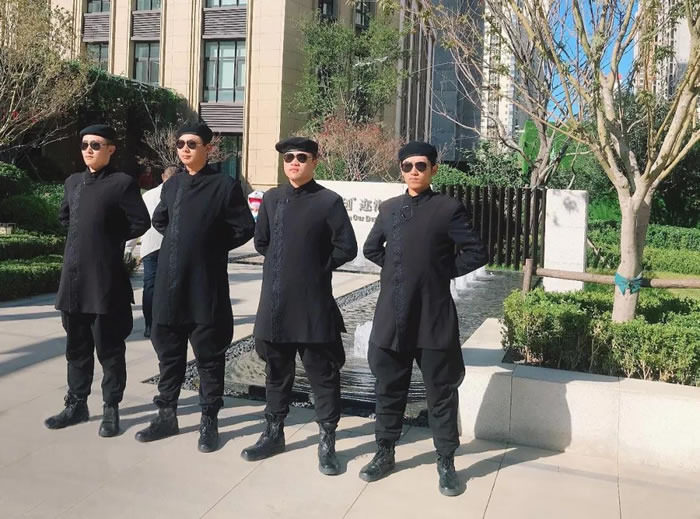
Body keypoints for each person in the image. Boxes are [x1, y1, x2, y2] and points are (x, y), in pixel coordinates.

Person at [360, 141, 488, 496]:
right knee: (388, 389)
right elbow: (371, 249)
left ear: (433, 169)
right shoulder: (389, 209)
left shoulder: (448, 209)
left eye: (420, 165)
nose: (414, 171)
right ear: (400, 170)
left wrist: (437, 271)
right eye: (407, 166)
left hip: (433, 316)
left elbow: (477, 252)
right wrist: (399, 271)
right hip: (392, 317)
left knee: (441, 393)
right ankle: (385, 452)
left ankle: (446, 461)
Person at [134, 123, 255, 453]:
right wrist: (181, 239)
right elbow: (160, 220)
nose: (185, 149)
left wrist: (208, 244)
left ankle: (209, 420)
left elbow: (244, 227)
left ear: (207, 149)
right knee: (169, 356)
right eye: (180, 144)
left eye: (192, 144)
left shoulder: (224, 186)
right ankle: (166, 415)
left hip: (205, 285)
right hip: (170, 286)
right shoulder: (172, 186)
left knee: (209, 358)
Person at [240, 137, 357, 476]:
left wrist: (315, 268)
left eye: (301, 157)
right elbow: (262, 242)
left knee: (323, 375)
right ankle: (273, 433)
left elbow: (346, 247)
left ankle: (327, 442)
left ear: (314, 161)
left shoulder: (328, 201)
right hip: (275, 304)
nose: (294, 162)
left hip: (312, 305)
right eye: (288, 157)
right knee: (276, 373)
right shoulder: (272, 199)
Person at [45, 124, 150, 438]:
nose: (88, 150)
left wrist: (107, 237)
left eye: (95, 145)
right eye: (84, 145)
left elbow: (140, 222)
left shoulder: (122, 183)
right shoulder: (73, 182)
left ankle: (111, 408)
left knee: (110, 350)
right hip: (73, 282)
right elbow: (65, 217)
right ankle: (76, 404)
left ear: (110, 149)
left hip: (105, 283)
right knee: (76, 349)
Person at [132, 165, 178, 338]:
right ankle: (169, 323)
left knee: (150, 286)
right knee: (172, 286)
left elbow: (137, 221)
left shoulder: (148, 195)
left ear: (163, 176)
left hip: (150, 246)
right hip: (173, 247)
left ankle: (150, 325)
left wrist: (129, 248)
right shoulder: (181, 194)